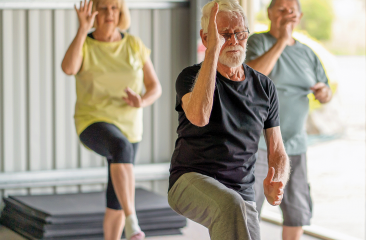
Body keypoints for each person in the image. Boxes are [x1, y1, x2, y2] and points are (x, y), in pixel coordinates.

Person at [167, 0, 290, 239]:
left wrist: (278, 179)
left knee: (238, 215)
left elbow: (278, 151)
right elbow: (199, 117)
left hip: (241, 192)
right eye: (224, 35)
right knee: (229, 204)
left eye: (240, 33)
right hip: (189, 180)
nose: (234, 41)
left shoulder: (264, 87)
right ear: (206, 38)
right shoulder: (190, 77)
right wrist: (213, 50)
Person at [61, 0, 161, 239]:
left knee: (116, 197)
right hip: (92, 121)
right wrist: (82, 30)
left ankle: (119, 229)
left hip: (130, 127)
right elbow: (68, 68)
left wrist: (142, 101)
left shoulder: (133, 44)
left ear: (121, 12)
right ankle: (133, 222)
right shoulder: (85, 44)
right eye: (103, 8)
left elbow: (155, 86)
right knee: (120, 147)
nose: (110, 13)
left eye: (114, 8)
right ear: (94, 13)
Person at [245, 0, 333, 239]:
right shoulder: (258, 42)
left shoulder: (307, 53)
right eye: (280, 10)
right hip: (260, 145)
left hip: (294, 144)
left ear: (299, 16)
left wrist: (324, 93)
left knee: (297, 210)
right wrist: (282, 41)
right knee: (248, 208)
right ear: (269, 13)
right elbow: (252, 78)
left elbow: (325, 92)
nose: (285, 14)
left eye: (291, 11)